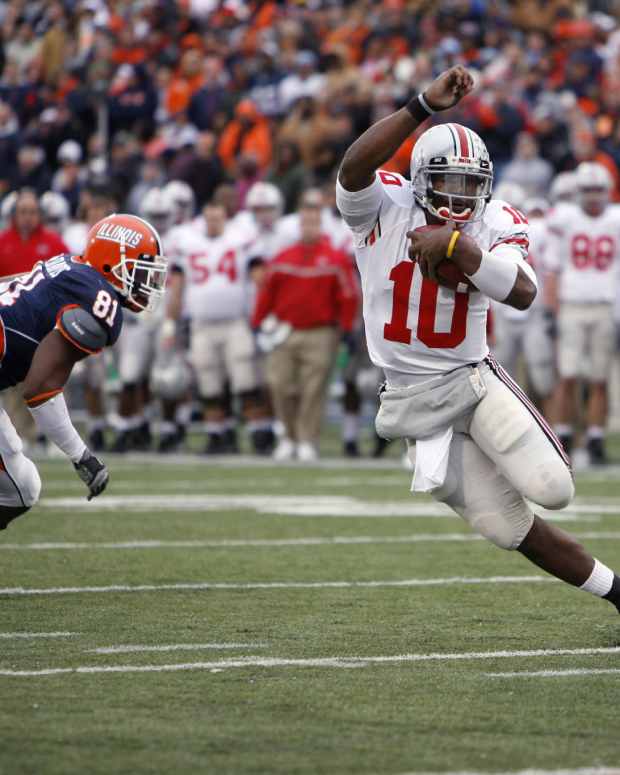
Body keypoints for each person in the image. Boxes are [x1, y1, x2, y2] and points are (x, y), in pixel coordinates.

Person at [336, 65, 620, 615]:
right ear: (419, 178)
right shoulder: (383, 206)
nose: (462, 194)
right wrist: (422, 105)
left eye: (472, 183)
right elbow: (352, 167)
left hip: (473, 381)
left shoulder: (495, 222)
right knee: (508, 527)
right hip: (412, 401)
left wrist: (458, 249)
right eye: (450, 180)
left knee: (554, 489)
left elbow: (521, 291)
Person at [0, 212, 167, 532]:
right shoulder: (101, 301)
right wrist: (82, 456)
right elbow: (40, 389)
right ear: (112, 261)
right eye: (140, 270)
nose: (147, 284)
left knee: (19, 486)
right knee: (19, 489)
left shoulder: (67, 264)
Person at [252, 200, 358, 462]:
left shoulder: (334, 258)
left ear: (320, 224)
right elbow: (267, 293)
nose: (309, 227)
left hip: (321, 333)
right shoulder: (282, 257)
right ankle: (288, 437)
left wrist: (345, 328)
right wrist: (257, 321)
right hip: (285, 331)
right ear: (299, 224)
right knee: (280, 385)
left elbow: (348, 295)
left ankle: (307, 439)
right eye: (305, 222)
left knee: (314, 389)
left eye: (314, 222)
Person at [545, 162, 620, 464]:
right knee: (568, 376)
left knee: (600, 378)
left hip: (605, 305)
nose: (592, 197)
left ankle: (595, 439)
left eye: (597, 191)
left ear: (607, 192)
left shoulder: (615, 219)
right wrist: (552, 311)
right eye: (587, 191)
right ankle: (562, 434)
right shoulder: (565, 218)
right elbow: (553, 269)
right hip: (572, 304)